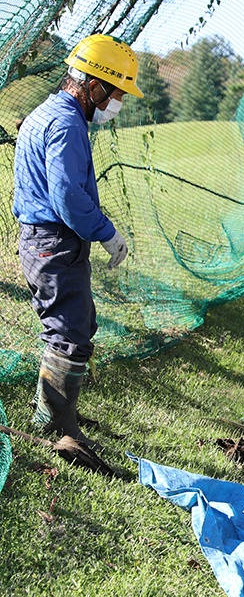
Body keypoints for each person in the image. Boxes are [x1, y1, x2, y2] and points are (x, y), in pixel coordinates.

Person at [13, 34, 144, 451]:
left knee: (78, 322)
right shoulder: (67, 124)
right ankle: (58, 428)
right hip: (53, 242)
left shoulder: (49, 112)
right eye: (116, 92)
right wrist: (106, 232)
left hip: (47, 240)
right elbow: (67, 196)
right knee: (68, 332)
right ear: (94, 85)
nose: (116, 103)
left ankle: (53, 411)